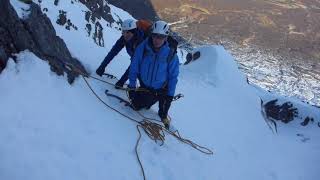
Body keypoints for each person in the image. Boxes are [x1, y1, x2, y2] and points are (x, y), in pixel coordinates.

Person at [128, 20, 179, 129]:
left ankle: (163, 113)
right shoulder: (143, 47)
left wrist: (170, 96)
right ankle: (149, 101)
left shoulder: (170, 54)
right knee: (135, 105)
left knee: (163, 111)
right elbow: (134, 67)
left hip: (162, 89)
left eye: (160, 36)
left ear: (165, 38)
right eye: (154, 35)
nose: (157, 39)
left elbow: (173, 77)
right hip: (145, 86)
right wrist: (132, 87)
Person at [96, 19, 145, 88]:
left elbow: (134, 65)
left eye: (127, 32)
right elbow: (112, 52)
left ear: (134, 32)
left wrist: (121, 81)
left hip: (147, 64)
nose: (125, 35)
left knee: (142, 76)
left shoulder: (141, 43)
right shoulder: (124, 38)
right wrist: (102, 67)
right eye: (123, 32)